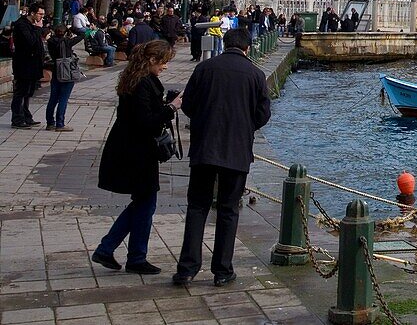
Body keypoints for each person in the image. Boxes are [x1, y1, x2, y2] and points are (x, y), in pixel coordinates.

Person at [173, 27, 271, 287]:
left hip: (205, 147)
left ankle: (187, 268)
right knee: (228, 210)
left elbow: (189, 105)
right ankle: (222, 270)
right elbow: (263, 115)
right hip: (237, 150)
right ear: (247, 48)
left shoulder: (205, 69)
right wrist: (244, 125)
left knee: (197, 207)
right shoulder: (256, 75)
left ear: (224, 43)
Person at [93, 41, 182, 274]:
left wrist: (165, 104)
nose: (165, 67)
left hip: (131, 149)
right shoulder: (142, 83)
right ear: (152, 60)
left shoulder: (136, 79)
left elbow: (143, 113)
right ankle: (130, 255)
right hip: (135, 152)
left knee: (143, 202)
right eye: (163, 62)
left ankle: (114, 250)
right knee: (145, 202)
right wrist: (171, 108)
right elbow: (146, 122)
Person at [10, 3, 46, 128]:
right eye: (40, 14)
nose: (42, 17)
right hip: (24, 64)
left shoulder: (33, 25)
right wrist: (38, 29)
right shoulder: (22, 25)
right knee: (21, 91)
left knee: (28, 92)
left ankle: (26, 116)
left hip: (33, 64)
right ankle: (17, 119)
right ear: (32, 13)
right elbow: (30, 41)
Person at [45, 24, 84, 131]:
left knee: (53, 98)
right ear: (65, 33)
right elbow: (82, 34)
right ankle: (60, 123)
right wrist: (71, 27)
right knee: (63, 98)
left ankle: (50, 122)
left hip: (55, 70)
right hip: (67, 71)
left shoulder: (51, 41)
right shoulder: (67, 42)